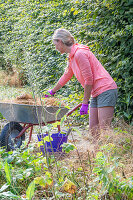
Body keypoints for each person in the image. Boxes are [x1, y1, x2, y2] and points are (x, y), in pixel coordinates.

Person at [45, 28, 118, 141]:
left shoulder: (80, 53)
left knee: (104, 130)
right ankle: (96, 156)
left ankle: (108, 156)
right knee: (93, 130)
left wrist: (85, 103)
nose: (56, 48)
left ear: (60, 41)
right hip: (95, 92)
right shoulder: (72, 56)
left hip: (106, 89)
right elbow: (66, 75)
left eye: (55, 44)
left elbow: (89, 80)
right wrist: (52, 91)